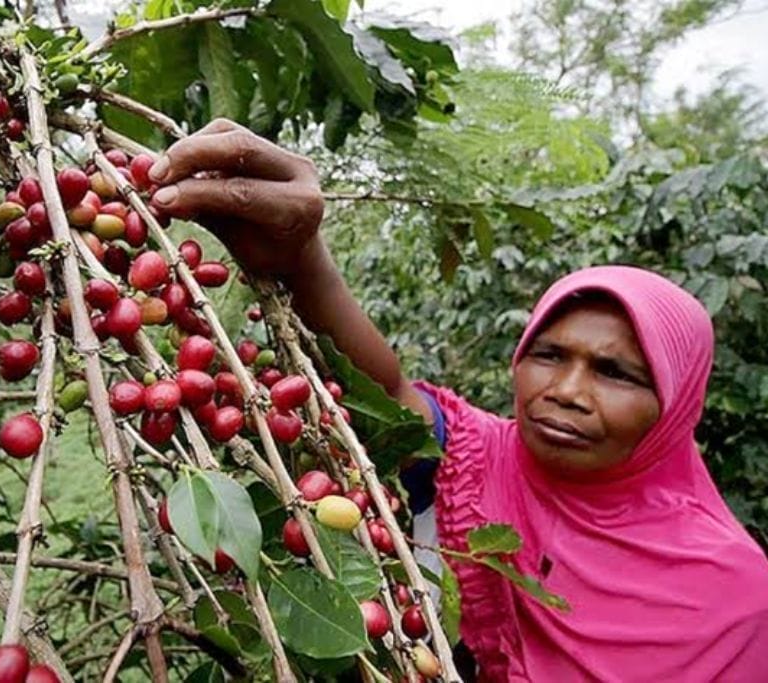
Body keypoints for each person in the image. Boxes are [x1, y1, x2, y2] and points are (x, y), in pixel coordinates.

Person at [145, 119, 768, 682]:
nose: (567, 392)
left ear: (676, 406)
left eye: (617, 374)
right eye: (549, 355)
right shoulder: (480, 459)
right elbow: (385, 397)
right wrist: (303, 259)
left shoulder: (737, 596)